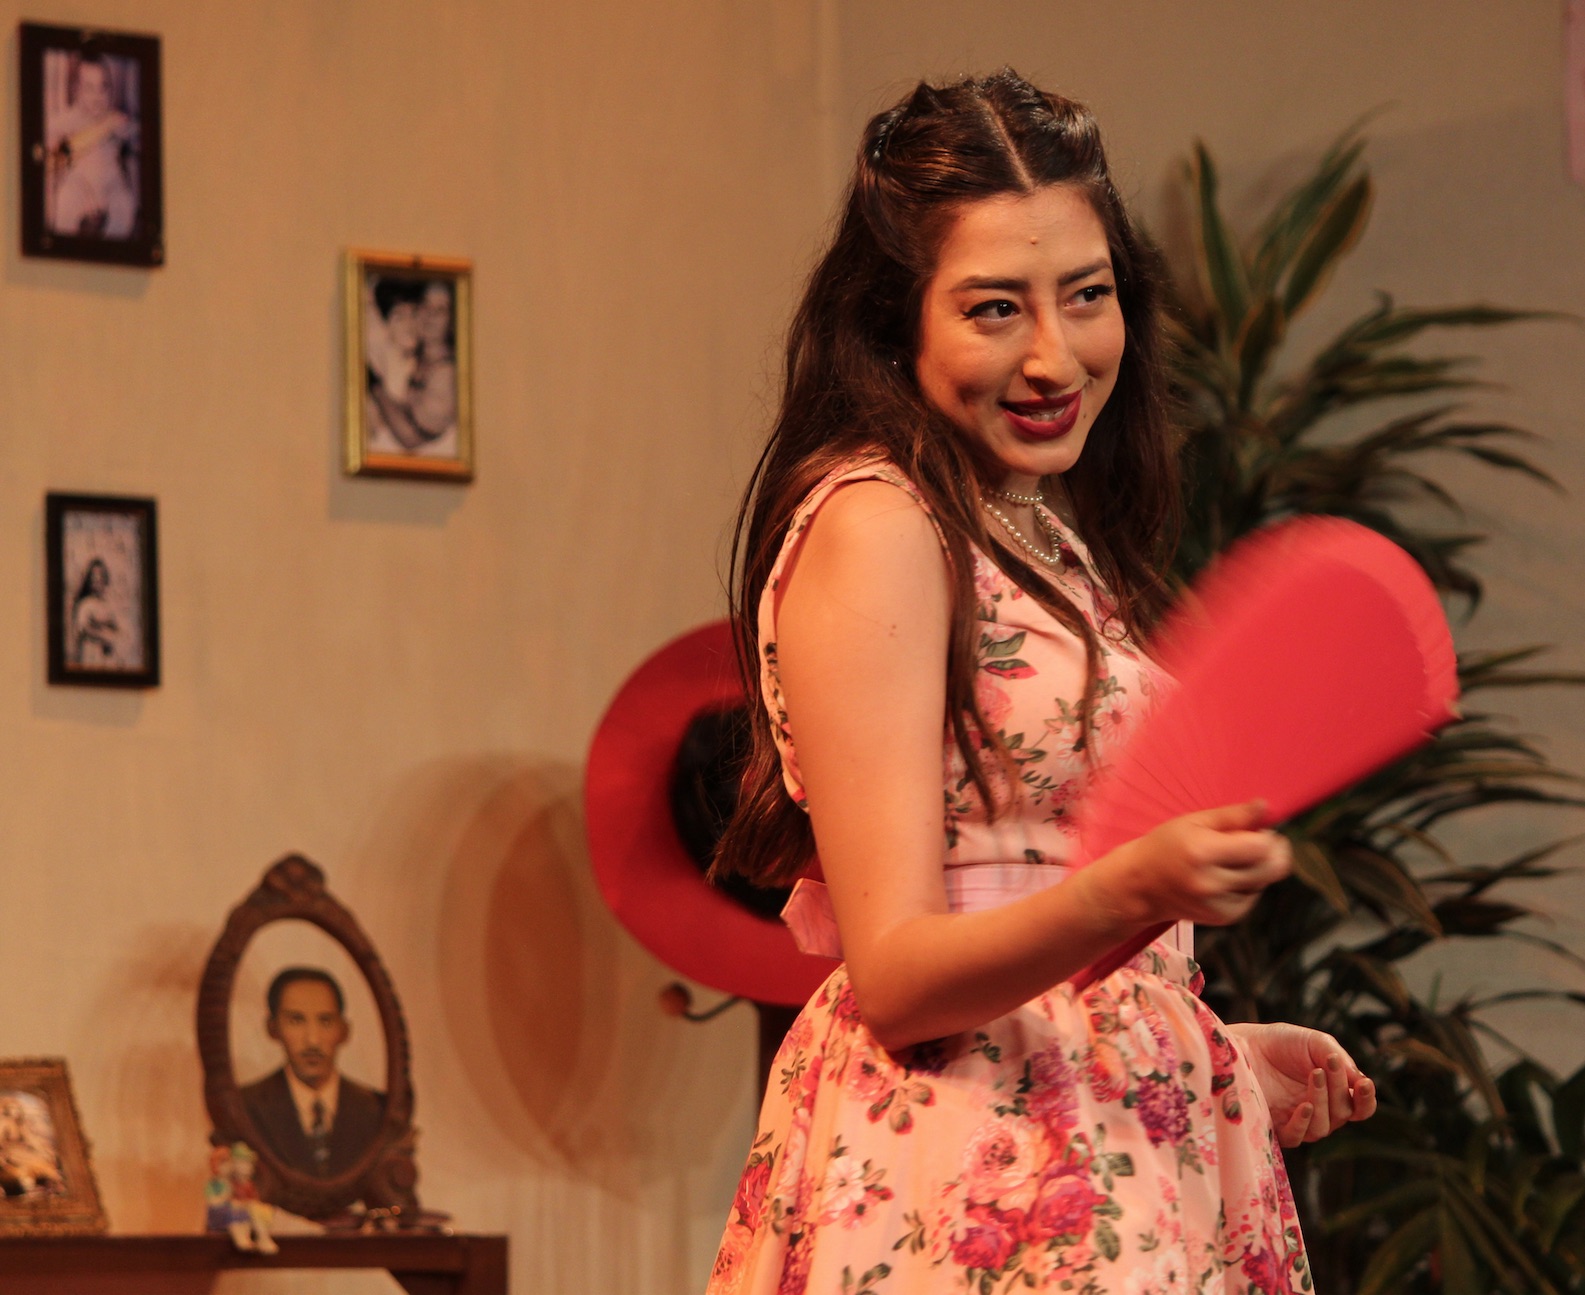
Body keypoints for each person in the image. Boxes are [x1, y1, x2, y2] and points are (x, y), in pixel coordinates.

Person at [704, 71, 1375, 1294]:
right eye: (995, 309)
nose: (1054, 355)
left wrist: (1204, 1048)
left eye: (1087, 294)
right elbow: (899, 976)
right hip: (962, 1173)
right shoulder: (879, 523)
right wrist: (1131, 888)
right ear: (896, 319)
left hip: (1104, 1155)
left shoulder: (1036, 525)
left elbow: (1034, 916)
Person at [240, 967, 385, 1179]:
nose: (313, 1041)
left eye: (326, 1021)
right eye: (296, 1021)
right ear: (272, 1028)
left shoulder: (378, 1110)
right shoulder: (245, 1108)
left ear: (344, 1031)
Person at [46, 54, 139, 239]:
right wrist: (105, 127)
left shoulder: (114, 118)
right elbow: (56, 147)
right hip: (79, 183)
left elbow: (135, 134)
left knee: (125, 203)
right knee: (65, 200)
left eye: (103, 87)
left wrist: (123, 127)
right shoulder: (70, 118)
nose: (97, 96)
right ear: (76, 91)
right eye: (89, 88)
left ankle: (113, 250)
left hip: (111, 183)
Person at [70, 558, 118, 665]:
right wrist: (102, 636)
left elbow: (115, 627)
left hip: (105, 658)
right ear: (89, 580)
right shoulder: (85, 604)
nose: (97, 580)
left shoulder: (107, 605)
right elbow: (82, 628)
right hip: (90, 654)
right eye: (94, 577)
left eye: (101, 576)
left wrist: (111, 630)